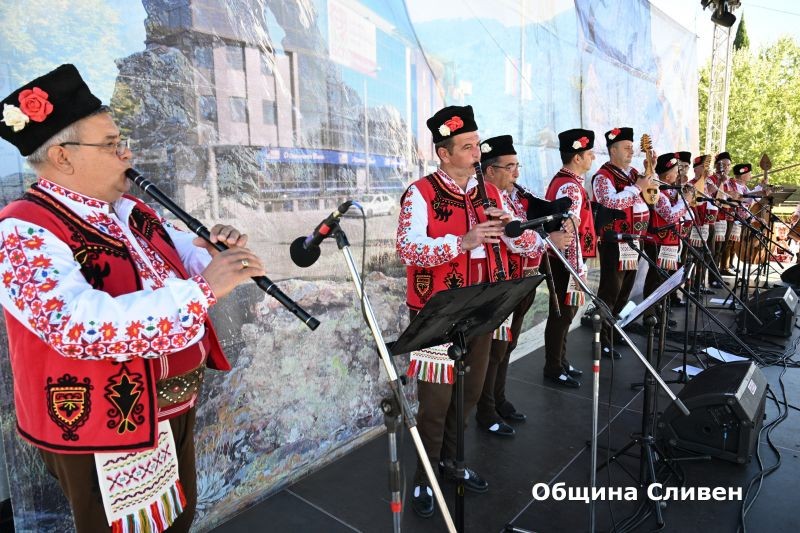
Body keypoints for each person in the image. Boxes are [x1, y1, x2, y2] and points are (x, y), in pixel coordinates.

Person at [0, 65, 265, 532]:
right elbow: (74, 326)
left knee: (176, 518)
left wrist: (210, 254)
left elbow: (175, 258)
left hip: (171, 405)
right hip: (106, 421)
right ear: (62, 157)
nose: (127, 153)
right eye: (111, 144)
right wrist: (205, 289)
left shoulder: (131, 209)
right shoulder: (22, 228)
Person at [396, 105, 539, 517]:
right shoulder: (420, 193)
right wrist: (463, 241)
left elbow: (529, 246)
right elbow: (407, 249)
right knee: (435, 404)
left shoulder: (492, 194)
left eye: (477, 144)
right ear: (444, 153)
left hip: (483, 310)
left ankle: (452, 462)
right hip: (437, 314)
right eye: (467, 147)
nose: (477, 153)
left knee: (470, 394)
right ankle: (424, 478)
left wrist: (513, 229)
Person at [475, 135, 572, 435]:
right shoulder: (488, 197)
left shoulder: (510, 196)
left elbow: (527, 225)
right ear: (490, 170)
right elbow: (515, 239)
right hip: (501, 285)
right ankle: (486, 410)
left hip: (520, 283)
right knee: (495, 351)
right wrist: (547, 239)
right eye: (510, 167)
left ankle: (498, 399)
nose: (517, 173)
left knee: (507, 346)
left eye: (517, 166)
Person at [591, 127, 652, 359]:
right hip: (614, 242)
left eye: (632, 148)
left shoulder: (633, 173)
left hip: (632, 241)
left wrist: (650, 169)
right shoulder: (602, 177)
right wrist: (637, 187)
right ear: (613, 150)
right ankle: (602, 339)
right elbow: (611, 202)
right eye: (626, 148)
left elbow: (651, 193)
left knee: (624, 291)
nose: (631, 152)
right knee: (610, 291)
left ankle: (614, 330)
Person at [543, 128, 597, 387]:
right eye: (589, 153)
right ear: (577, 157)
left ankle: (560, 361)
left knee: (564, 315)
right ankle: (553, 366)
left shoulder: (566, 181)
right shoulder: (570, 187)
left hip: (563, 260)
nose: (592, 158)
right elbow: (569, 232)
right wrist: (577, 271)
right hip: (566, 262)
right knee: (562, 315)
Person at [642, 153, 688, 322]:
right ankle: (649, 315)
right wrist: (686, 201)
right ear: (668, 176)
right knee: (656, 278)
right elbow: (670, 215)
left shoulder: (669, 190)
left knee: (663, 279)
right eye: (676, 172)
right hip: (658, 241)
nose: (678, 174)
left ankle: (659, 312)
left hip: (667, 241)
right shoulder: (659, 191)